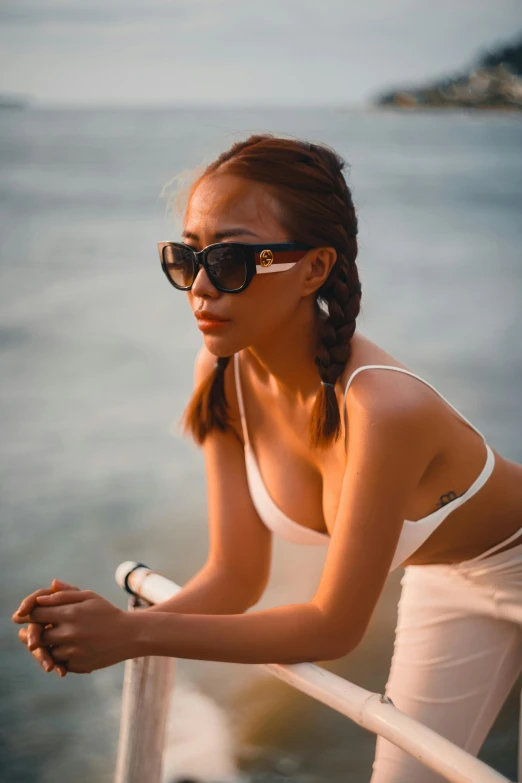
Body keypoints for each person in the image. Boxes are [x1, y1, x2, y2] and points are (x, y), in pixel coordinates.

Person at [12, 134, 522, 782]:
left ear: (313, 268)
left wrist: (133, 635)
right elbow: (234, 576)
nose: (200, 286)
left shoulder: (385, 408)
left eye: (229, 259)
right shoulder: (221, 374)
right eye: (187, 256)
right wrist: (101, 629)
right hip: (447, 578)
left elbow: (331, 627)